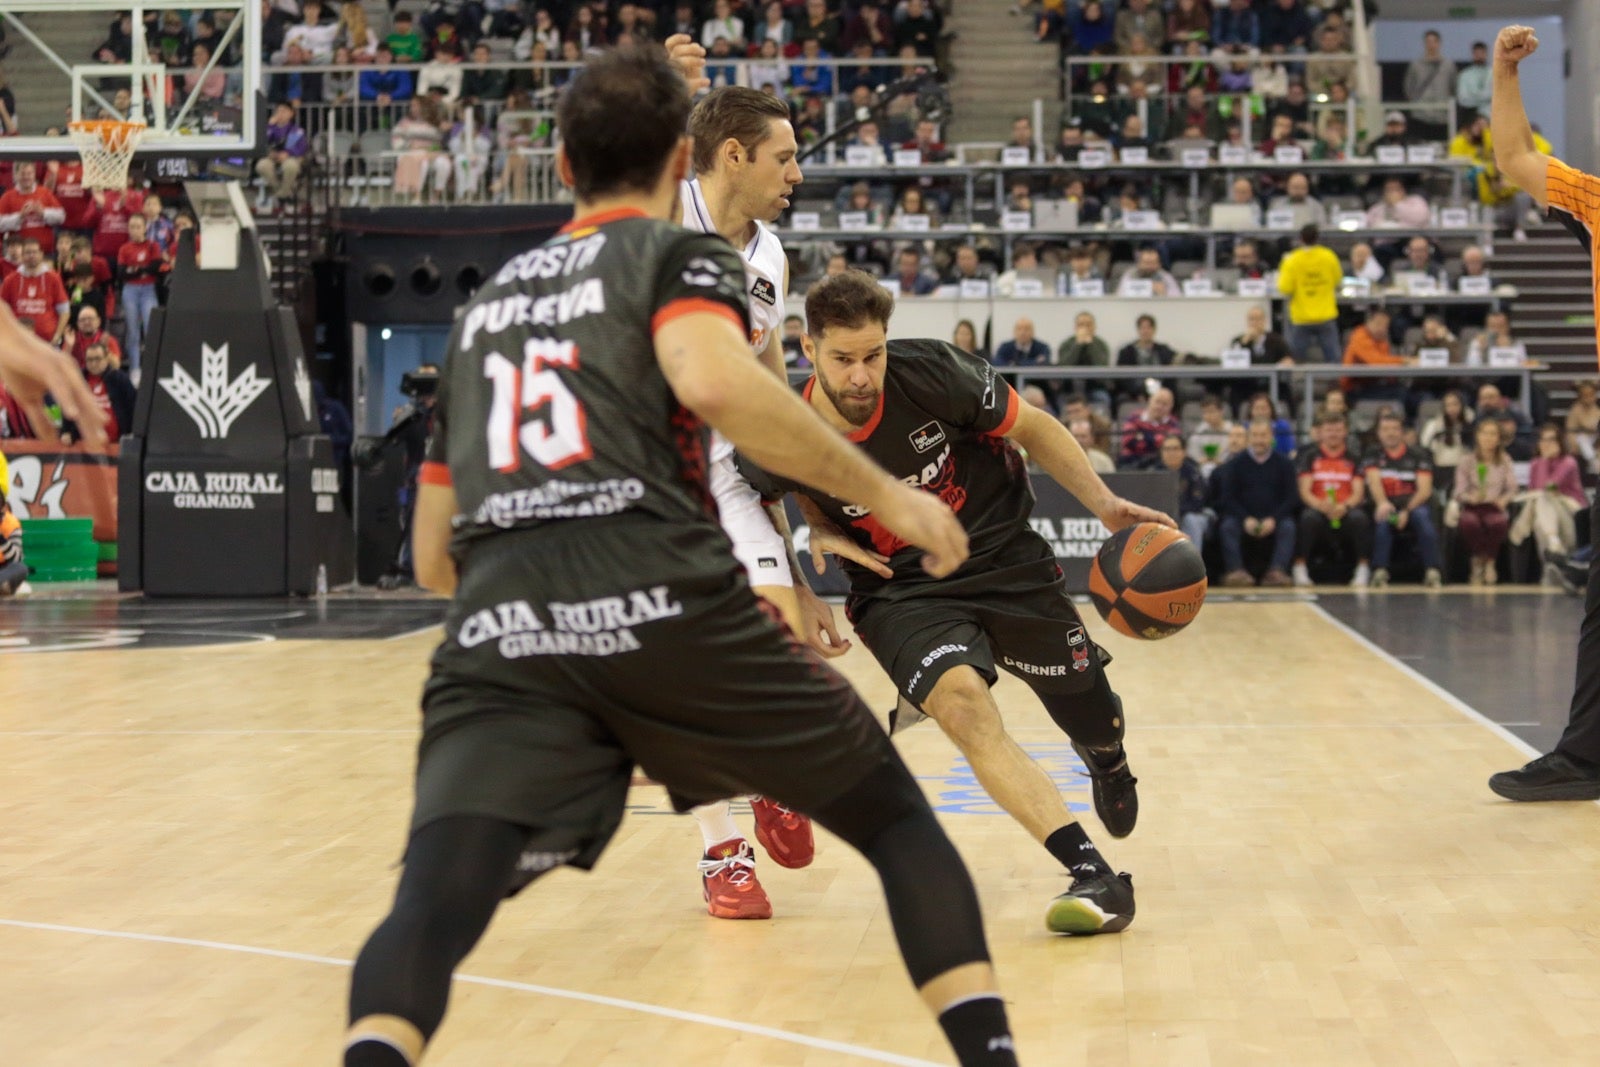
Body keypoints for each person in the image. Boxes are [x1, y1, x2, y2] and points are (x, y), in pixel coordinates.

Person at [341, 46, 1024, 1067]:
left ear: (561, 163)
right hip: (656, 579)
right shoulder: (680, 257)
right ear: (682, 161)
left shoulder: (486, 308)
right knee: (896, 823)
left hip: (502, 624)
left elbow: (433, 557)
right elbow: (718, 380)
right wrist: (879, 493)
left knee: (434, 895)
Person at [748, 270, 1177, 940]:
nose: (861, 376)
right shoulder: (781, 427)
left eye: (873, 356)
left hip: (1001, 555)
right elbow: (754, 495)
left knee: (1089, 706)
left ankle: (1107, 755)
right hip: (901, 590)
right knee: (963, 707)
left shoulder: (933, 372)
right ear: (808, 348)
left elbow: (1032, 426)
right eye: (843, 359)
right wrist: (806, 560)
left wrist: (1106, 504)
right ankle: (1091, 870)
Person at [673, 82, 840, 919]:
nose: (798, 173)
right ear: (733, 157)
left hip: (731, 468)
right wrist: (666, 86)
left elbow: (770, 387)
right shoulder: (656, 215)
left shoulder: (770, 255)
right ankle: (722, 855)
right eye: (785, 157)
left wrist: (801, 536)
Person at [1292, 410, 1373, 587]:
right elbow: (1305, 491)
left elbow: (1358, 492)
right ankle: (1300, 567)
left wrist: (1344, 506)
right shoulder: (1309, 457)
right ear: (1320, 433)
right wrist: (1320, 505)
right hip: (1319, 508)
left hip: (1345, 509)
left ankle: (1363, 568)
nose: (1333, 434)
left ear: (1345, 432)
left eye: (1338, 430)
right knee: (1307, 518)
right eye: (1329, 430)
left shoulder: (1354, 458)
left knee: (1360, 519)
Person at [1363, 410, 1443, 588]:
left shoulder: (1418, 454)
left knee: (1422, 518)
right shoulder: (1373, 453)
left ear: (1402, 432)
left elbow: (1424, 490)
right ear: (1378, 433)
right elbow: (1374, 482)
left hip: (1413, 505)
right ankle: (1380, 570)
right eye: (1385, 429)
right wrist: (1383, 503)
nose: (1390, 433)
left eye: (1395, 429)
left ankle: (1432, 570)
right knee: (1384, 521)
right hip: (1388, 506)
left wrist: (1406, 511)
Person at [1214, 420, 1298, 587]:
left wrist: (1273, 519)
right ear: (1248, 438)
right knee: (1228, 526)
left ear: (1271, 437)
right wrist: (1246, 519)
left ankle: (1277, 571)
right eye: (1255, 435)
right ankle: (1236, 571)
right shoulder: (1235, 464)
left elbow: (1292, 498)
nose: (1259, 440)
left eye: (1264, 435)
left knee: (1288, 526)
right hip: (1243, 517)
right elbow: (1227, 498)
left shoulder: (1285, 464)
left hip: (1275, 517)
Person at [1510, 423, 1587, 565]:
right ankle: (1553, 554)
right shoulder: (1535, 463)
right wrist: (1542, 461)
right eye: (1543, 440)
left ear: (1559, 442)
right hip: (1547, 517)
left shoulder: (1569, 462)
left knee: (1543, 497)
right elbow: (1533, 490)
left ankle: (1553, 550)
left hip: (1570, 516)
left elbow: (1549, 487)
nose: (1547, 444)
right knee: (1539, 522)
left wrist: (1544, 460)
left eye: (1551, 440)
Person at [1454, 418, 1516, 585]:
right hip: (1473, 505)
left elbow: (1512, 488)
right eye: (1485, 433)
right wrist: (1470, 497)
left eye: (1493, 434)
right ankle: (1477, 560)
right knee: (1469, 523)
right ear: (1477, 436)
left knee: (1497, 523)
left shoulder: (1505, 460)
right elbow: (1459, 491)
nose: (1488, 438)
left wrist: (1504, 499)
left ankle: (1489, 562)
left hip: (1494, 505)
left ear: (1498, 438)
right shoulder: (1467, 460)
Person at [1277, 224, 1342, 363]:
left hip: (1301, 317)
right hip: (1326, 314)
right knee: (1333, 358)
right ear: (1317, 238)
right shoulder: (1329, 256)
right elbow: (1337, 281)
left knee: (1295, 359)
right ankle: (1336, 383)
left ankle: (1293, 384)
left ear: (1300, 239)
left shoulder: (1292, 260)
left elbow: (1285, 288)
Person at [0, 237, 70, 347]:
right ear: (22, 255)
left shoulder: (53, 278)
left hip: (48, 343)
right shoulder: (10, 280)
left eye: (35, 252)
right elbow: (2, 310)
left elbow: (64, 310)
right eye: (28, 252)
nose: (31, 255)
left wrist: (57, 336)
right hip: (18, 342)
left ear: (41, 254)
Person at [1158, 433, 1211, 547]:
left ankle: (1192, 562)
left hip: (1190, 514)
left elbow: (1198, 503)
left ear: (1184, 452)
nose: (1171, 453)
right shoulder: (1154, 473)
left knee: (1191, 520)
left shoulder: (1193, 473)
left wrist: (1176, 512)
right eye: (1167, 449)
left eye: (1175, 449)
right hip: (1161, 517)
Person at [256, 102, 310, 209]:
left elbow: (301, 147)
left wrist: (288, 153)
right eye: (278, 111)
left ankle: (281, 195)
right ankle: (285, 194)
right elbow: (262, 143)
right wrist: (269, 126)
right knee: (262, 165)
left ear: (291, 114)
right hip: (272, 157)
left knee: (290, 166)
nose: (280, 114)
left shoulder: (296, 130)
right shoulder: (271, 128)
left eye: (284, 111)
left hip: (291, 158)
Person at [1118, 386, 1180, 469]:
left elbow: (1168, 445)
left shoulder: (1173, 423)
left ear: (1171, 406)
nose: (1160, 407)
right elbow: (1128, 441)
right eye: (1157, 402)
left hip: (1160, 463)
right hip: (1131, 460)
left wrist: (1143, 437)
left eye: (1165, 404)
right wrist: (1157, 440)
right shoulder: (1134, 418)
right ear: (1150, 400)